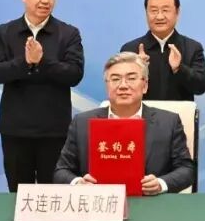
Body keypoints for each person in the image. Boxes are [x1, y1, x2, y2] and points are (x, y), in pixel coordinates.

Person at [0, 0, 84, 193]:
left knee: (55, 196)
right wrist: (25, 62)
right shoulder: (5, 32)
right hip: (16, 131)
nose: (45, 0)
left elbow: (74, 74)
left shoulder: (68, 34)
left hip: (55, 131)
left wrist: (42, 62)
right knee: (20, 196)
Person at [54, 52, 194, 194]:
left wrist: (160, 184)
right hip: (99, 202)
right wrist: (78, 183)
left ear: (145, 85)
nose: (123, 86)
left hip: (151, 201)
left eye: (131, 78)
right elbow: (61, 171)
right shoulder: (82, 123)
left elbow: (186, 170)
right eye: (115, 79)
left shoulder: (168, 122)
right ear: (107, 86)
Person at [119, 0, 205, 101]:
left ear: (177, 12)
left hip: (179, 112)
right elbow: (120, 90)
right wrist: (136, 70)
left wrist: (179, 69)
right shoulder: (130, 49)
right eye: (154, 11)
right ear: (146, 13)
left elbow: (201, 87)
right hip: (142, 112)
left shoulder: (192, 48)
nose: (159, 16)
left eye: (165, 10)